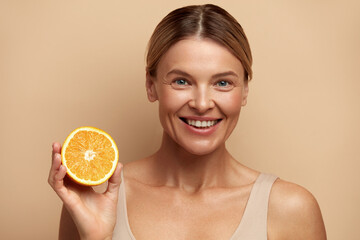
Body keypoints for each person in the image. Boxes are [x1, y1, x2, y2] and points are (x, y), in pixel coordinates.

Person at [48, 4, 326, 240]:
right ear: (151, 85)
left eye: (223, 83)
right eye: (182, 81)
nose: (202, 103)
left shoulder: (291, 210)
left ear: (244, 91)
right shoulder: (96, 201)